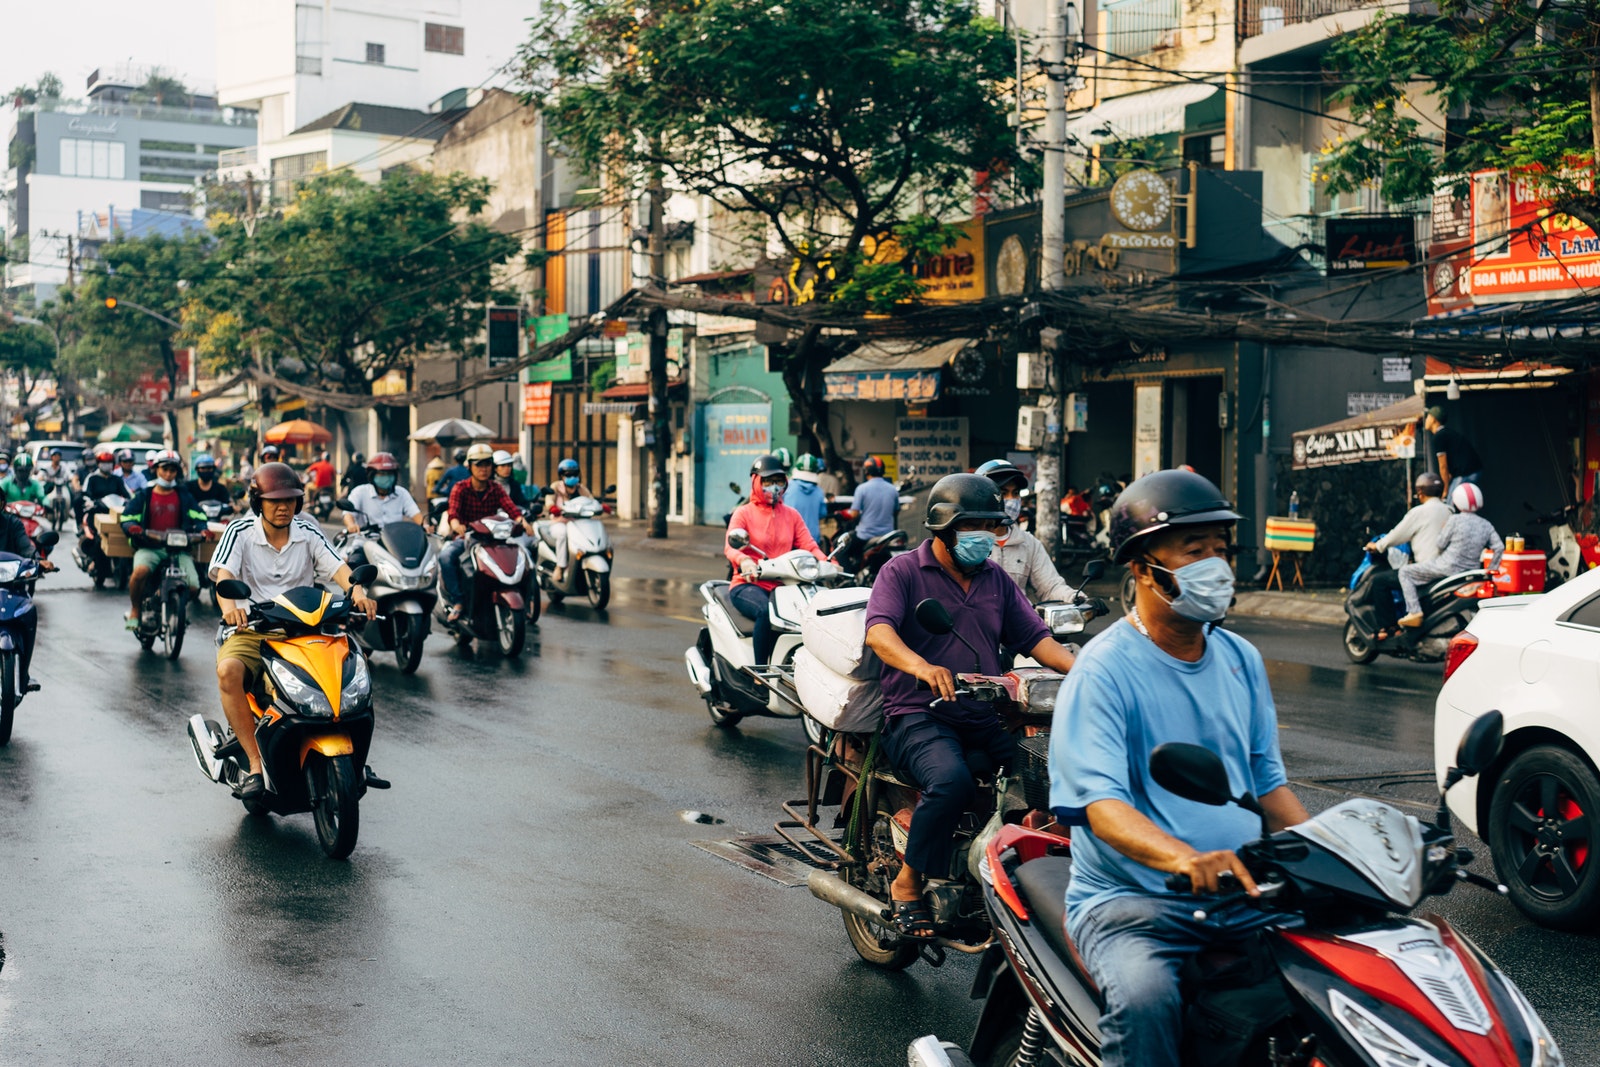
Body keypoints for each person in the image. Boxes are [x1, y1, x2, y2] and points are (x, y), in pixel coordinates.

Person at [1048, 468, 1308, 1067]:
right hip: (1132, 902)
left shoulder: (1240, 658)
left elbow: (1269, 785)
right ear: (1141, 567)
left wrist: (1331, 858)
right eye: (1195, 552)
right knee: (1145, 1000)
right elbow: (1100, 807)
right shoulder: (1103, 671)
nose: (1216, 565)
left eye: (1221, 550)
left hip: (1244, 889)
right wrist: (1185, 859)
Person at [864, 473, 1077, 937]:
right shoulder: (901, 571)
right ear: (943, 528)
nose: (985, 536)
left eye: (990, 525)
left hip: (982, 713)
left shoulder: (995, 579)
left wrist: (1084, 671)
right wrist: (922, 667)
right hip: (918, 715)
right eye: (973, 525)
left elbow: (1035, 638)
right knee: (951, 780)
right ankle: (908, 882)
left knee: (1048, 772)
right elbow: (879, 632)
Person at [211, 465, 374, 800]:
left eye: (290, 499)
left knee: (353, 672)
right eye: (273, 500)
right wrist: (231, 610)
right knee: (229, 672)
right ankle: (256, 765)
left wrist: (357, 591)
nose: (283, 506)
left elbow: (338, 568)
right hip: (254, 629)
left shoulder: (308, 533)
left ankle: (357, 760)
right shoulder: (240, 531)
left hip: (306, 628)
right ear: (258, 502)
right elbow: (224, 576)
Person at [725, 454, 827, 666]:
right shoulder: (743, 513)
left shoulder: (791, 515)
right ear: (756, 482)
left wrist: (827, 563)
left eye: (779, 481)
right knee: (766, 611)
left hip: (783, 585)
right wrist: (743, 560)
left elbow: (809, 545)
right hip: (748, 584)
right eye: (768, 482)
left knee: (811, 614)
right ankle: (760, 672)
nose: (775, 487)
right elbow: (730, 546)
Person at [441, 443, 534, 622]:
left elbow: (512, 510)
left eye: (487, 464)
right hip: (468, 538)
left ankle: (526, 600)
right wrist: (456, 525)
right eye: (478, 464)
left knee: (525, 559)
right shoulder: (460, 488)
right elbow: (453, 513)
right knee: (446, 557)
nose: (483, 469)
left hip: (494, 540)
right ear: (470, 467)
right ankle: (458, 601)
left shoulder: (496, 488)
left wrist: (524, 523)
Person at [119, 450, 208, 630]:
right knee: (139, 573)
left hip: (179, 549)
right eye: (164, 469)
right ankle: (135, 609)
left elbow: (199, 516)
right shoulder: (145, 494)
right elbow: (126, 517)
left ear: (177, 472)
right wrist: (133, 528)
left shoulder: (184, 495)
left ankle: (167, 601)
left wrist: (203, 530)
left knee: (193, 586)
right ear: (156, 470)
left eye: (172, 470)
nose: (168, 474)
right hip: (150, 547)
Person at [1398, 482, 1503, 627]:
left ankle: (1415, 612)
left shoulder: (1454, 520)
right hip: (1471, 572)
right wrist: (1489, 571)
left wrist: (1444, 529)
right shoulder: (1485, 524)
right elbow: (1499, 547)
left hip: (1446, 567)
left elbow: (1440, 543)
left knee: (1404, 572)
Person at [1362, 471, 1450, 634]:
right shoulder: (1450, 511)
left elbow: (1397, 535)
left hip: (1425, 570)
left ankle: (1389, 627)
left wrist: (1378, 546)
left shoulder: (1419, 512)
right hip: (1446, 570)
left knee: (1380, 581)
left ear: (1420, 493)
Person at [976, 459, 1073, 603]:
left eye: (1015, 493)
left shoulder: (1028, 543)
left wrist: (1075, 598)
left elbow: (1050, 587)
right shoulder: (969, 542)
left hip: (1020, 622)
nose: (1011, 500)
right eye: (1003, 493)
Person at [0, 503, 55, 690]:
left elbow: (25, 546)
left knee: (28, 611)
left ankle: (23, 674)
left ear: (2, 504)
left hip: (12, 585)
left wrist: (38, 561)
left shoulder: (13, 524)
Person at [342, 452, 424, 552]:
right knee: (355, 563)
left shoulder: (402, 493)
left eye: (389, 474)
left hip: (395, 548)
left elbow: (415, 513)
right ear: (372, 475)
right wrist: (351, 525)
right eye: (382, 474)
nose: (386, 477)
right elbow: (348, 513)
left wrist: (425, 526)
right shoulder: (360, 492)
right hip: (365, 545)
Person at [541, 457, 600, 580]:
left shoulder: (581, 488)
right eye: (568, 475)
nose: (572, 477)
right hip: (559, 522)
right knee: (562, 533)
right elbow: (549, 500)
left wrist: (601, 506)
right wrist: (552, 508)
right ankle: (560, 567)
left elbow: (591, 500)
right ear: (561, 476)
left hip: (578, 523)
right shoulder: (556, 486)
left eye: (575, 474)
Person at [1425, 406, 1483, 495]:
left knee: (1451, 505)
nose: (1426, 420)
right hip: (1471, 471)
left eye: (1428, 417)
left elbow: (1443, 466)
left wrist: (1445, 489)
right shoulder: (1446, 433)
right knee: (1459, 503)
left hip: (1466, 473)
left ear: (1433, 419)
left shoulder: (1439, 436)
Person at [852, 455, 899, 539]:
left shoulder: (861, 489)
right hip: (888, 535)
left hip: (865, 535)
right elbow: (896, 512)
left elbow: (854, 514)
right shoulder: (893, 489)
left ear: (867, 471)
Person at [787, 453, 829, 543]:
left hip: (790, 538)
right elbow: (823, 514)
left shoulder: (787, 487)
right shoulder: (819, 492)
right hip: (812, 540)